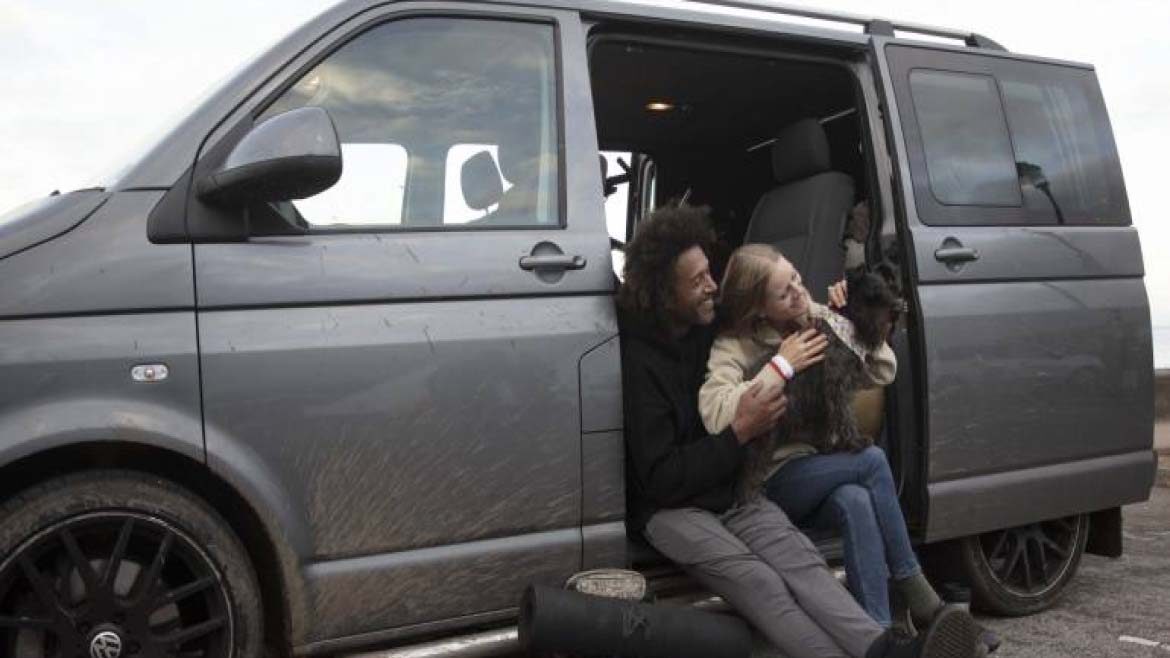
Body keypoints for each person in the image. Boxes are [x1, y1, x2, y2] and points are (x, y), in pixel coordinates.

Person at [619, 203, 978, 658]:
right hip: (671, 508)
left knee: (803, 563)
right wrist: (740, 432)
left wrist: (843, 313)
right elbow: (662, 478)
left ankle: (887, 649)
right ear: (664, 295)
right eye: (698, 282)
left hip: (729, 488)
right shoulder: (644, 362)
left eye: (711, 273)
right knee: (761, 582)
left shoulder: (709, 327)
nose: (713, 287)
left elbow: (849, 351)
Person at [697, 243, 997, 654]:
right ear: (757, 308)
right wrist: (779, 366)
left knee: (855, 500)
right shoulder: (734, 346)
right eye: (785, 293)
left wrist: (851, 318)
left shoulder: (817, 316)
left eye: (798, 280)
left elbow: (883, 370)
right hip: (769, 478)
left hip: (820, 468)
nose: (800, 294)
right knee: (872, 460)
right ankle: (922, 598)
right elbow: (716, 416)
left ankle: (877, 636)